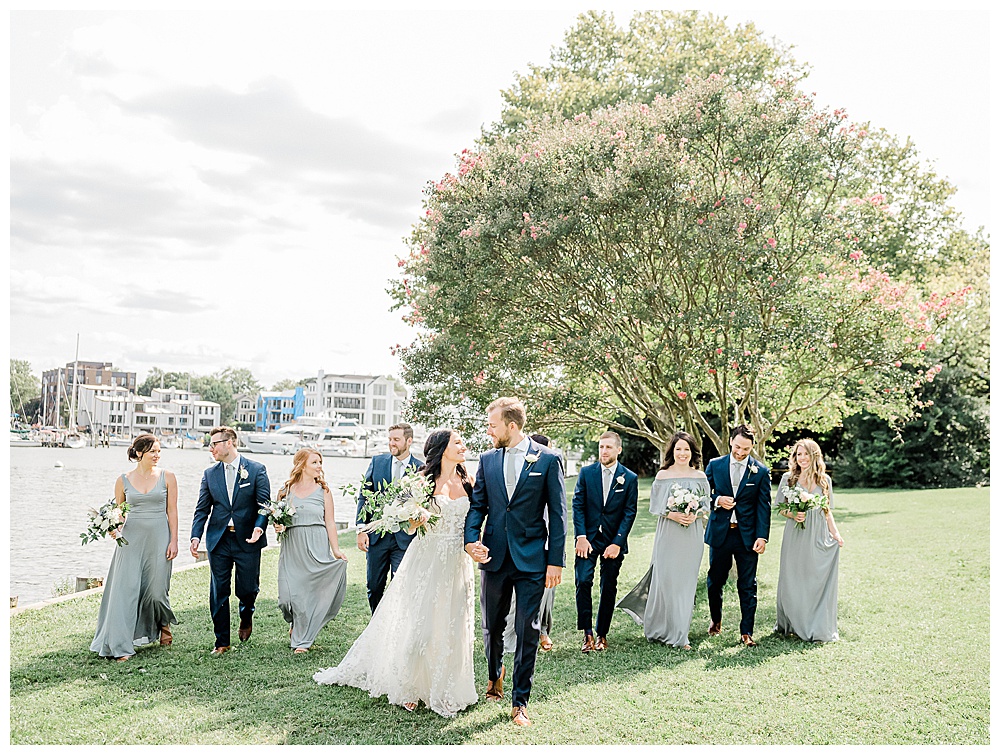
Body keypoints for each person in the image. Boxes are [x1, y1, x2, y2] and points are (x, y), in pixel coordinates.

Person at [315, 429, 478, 717]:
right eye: (457, 442)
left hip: (457, 562)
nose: (463, 446)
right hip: (427, 558)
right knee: (420, 621)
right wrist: (416, 518)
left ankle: (448, 686)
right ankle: (410, 684)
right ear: (442, 448)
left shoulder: (468, 480)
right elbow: (409, 526)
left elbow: (476, 522)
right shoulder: (421, 481)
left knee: (452, 622)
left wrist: (476, 546)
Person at [464, 397, 567, 728]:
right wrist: (470, 541)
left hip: (533, 559)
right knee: (492, 625)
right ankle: (495, 674)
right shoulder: (487, 459)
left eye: (492, 425)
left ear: (511, 426)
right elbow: (478, 505)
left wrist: (556, 562)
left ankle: (520, 701)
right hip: (494, 556)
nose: (488, 431)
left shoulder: (548, 460)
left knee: (527, 629)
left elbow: (559, 514)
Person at [617, 431, 709, 649]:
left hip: (691, 536)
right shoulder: (663, 475)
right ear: (672, 451)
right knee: (666, 581)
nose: (682, 453)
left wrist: (694, 514)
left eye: (686, 449)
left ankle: (680, 634)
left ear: (692, 452)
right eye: (678, 449)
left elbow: (706, 505)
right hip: (669, 534)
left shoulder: (700, 476)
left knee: (685, 584)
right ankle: (660, 627)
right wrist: (673, 514)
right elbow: (655, 506)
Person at [91, 433, 178, 660]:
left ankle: (163, 623)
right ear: (139, 453)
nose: (157, 455)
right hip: (130, 541)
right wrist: (112, 527)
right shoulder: (123, 480)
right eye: (152, 452)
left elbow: (172, 511)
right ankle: (121, 645)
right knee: (126, 591)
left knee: (157, 591)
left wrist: (174, 540)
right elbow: (119, 512)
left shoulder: (168, 477)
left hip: (160, 537)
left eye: (159, 451)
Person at [190, 425, 271, 655]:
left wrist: (258, 529)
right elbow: (201, 509)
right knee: (219, 590)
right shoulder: (209, 474)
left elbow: (264, 506)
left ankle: (246, 615)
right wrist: (196, 536)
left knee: (247, 589)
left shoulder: (256, 470)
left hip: (248, 539)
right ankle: (222, 641)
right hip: (219, 540)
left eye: (214, 443)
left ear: (229, 443)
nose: (211, 448)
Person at [273, 448, 348, 653]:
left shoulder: (323, 490)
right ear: (302, 465)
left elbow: (330, 523)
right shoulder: (285, 490)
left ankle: (302, 641)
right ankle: (295, 622)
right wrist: (278, 526)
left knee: (309, 595)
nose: (319, 466)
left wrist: (336, 550)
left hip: (316, 543)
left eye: (320, 462)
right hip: (292, 547)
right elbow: (278, 519)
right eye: (315, 462)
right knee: (286, 598)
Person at [704, 424, 771, 647]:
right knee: (715, 581)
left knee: (748, 584)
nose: (741, 452)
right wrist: (717, 500)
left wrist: (762, 537)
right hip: (721, 534)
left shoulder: (760, 471)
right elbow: (704, 495)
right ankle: (716, 620)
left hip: (748, 537)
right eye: (738, 447)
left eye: (746, 449)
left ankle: (746, 632)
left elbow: (764, 507)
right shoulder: (715, 465)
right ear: (731, 440)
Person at [572, 431, 638, 652]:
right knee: (583, 580)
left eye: (609, 447)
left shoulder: (629, 478)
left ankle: (602, 634)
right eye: (601, 447)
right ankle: (587, 634)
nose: (604, 451)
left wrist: (617, 543)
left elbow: (630, 512)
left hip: (612, 541)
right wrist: (581, 536)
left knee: (608, 586)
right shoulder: (586, 473)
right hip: (587, 539)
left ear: (619, 450)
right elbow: (578, 505)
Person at [774, 439, 844, 642]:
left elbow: (827, 511)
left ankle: (815, 620)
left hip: (818, 532)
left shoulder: (824, 481)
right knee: (794, 576)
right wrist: (793, 514)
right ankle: (793, 621)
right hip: (796, 533)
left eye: (806, 454)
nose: (802, 458)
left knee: (814, 577)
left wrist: (836, 534)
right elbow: (779, 507)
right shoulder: (788, 478)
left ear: (814, 456)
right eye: (798, 454)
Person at [356, 423, 423, 613]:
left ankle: (394, 628)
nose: (391, 443)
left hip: (404, 538)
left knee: (399, 585)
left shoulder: (420, 468)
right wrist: (361, 529)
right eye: (390, 439)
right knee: (374, 585)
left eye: (396, 439)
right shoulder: (378, 462)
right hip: (377, 536)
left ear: (409, 441)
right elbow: (364, 495)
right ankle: (376, 624)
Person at [502, 433, 559, 655]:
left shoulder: (552, 469)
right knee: (521, 596)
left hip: (547, 541)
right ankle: (515, 635)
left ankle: (543, 631)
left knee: (548, 593)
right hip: (526, 542)